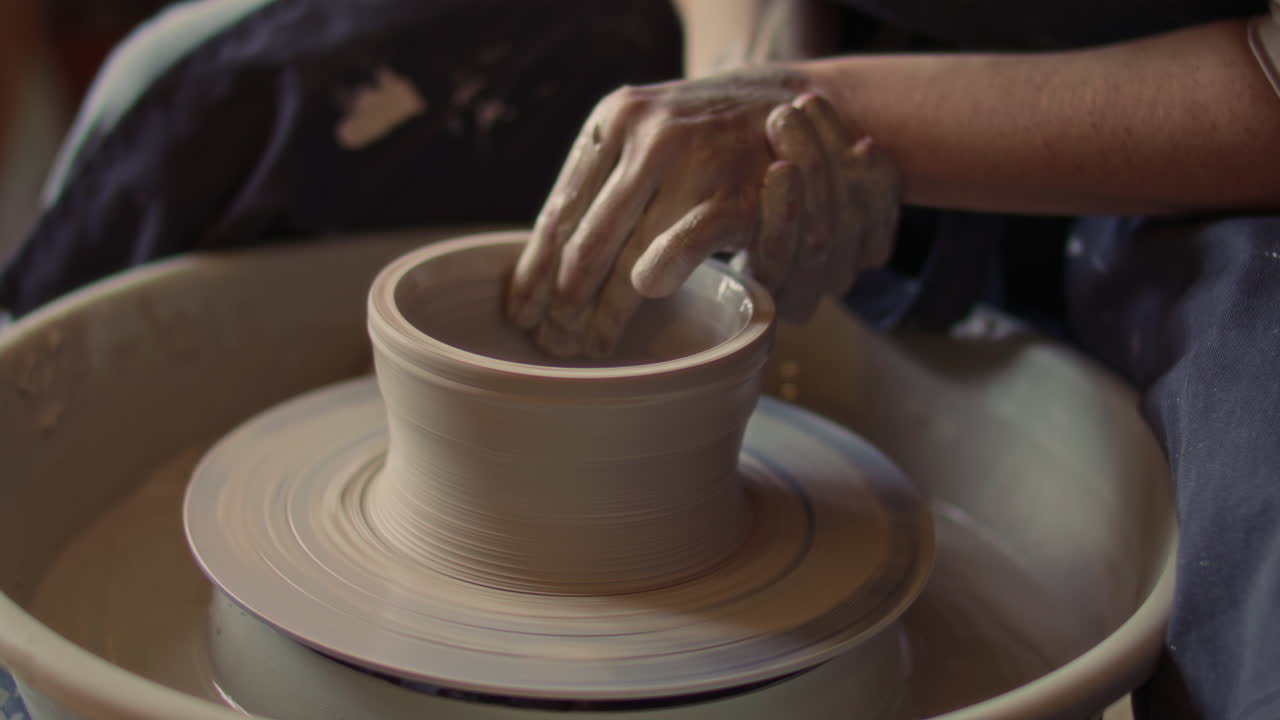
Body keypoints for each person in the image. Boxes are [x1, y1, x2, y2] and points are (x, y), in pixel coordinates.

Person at [2, 1, 1279, 718]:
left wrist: (852, 119)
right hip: (847, 28)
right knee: (209, 102)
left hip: (1192, 128)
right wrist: (747, 63)